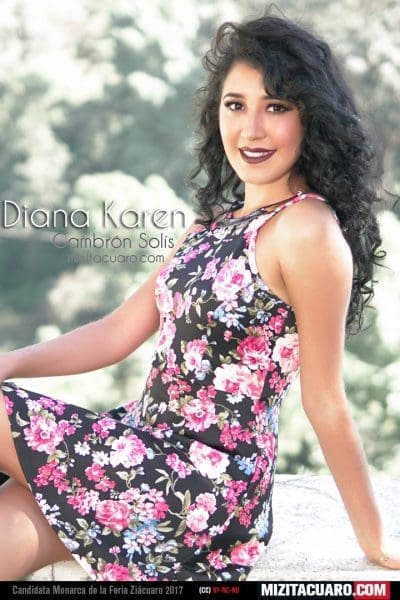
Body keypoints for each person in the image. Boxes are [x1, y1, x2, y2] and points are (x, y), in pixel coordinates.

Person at [0, 12, 399, 582]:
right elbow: (117, 333)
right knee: (10, 525)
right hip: (140, 452)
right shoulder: (211, 227)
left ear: (311, 117)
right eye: (236, 105)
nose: (251, 129)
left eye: (276, 107)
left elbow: (326, 400)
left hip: (202, 489)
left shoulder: (307, 230)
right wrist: (9, 362)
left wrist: (374, 539)